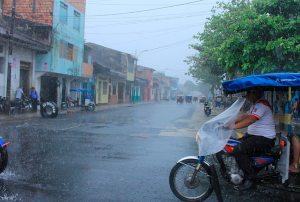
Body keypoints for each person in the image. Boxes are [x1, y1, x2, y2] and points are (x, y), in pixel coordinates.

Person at [229, 90, 276, 191]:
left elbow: (251, 120)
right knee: (234, 143)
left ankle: (251, 179)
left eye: (250, 93)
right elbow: (245, 116)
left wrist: (232, 127)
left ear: (257, 93)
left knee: (238, 150)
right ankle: (243, 169)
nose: (248, 96)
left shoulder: (262, 105)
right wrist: (230, 122)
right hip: (255, 136)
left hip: (265, 139)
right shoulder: (256, 105)